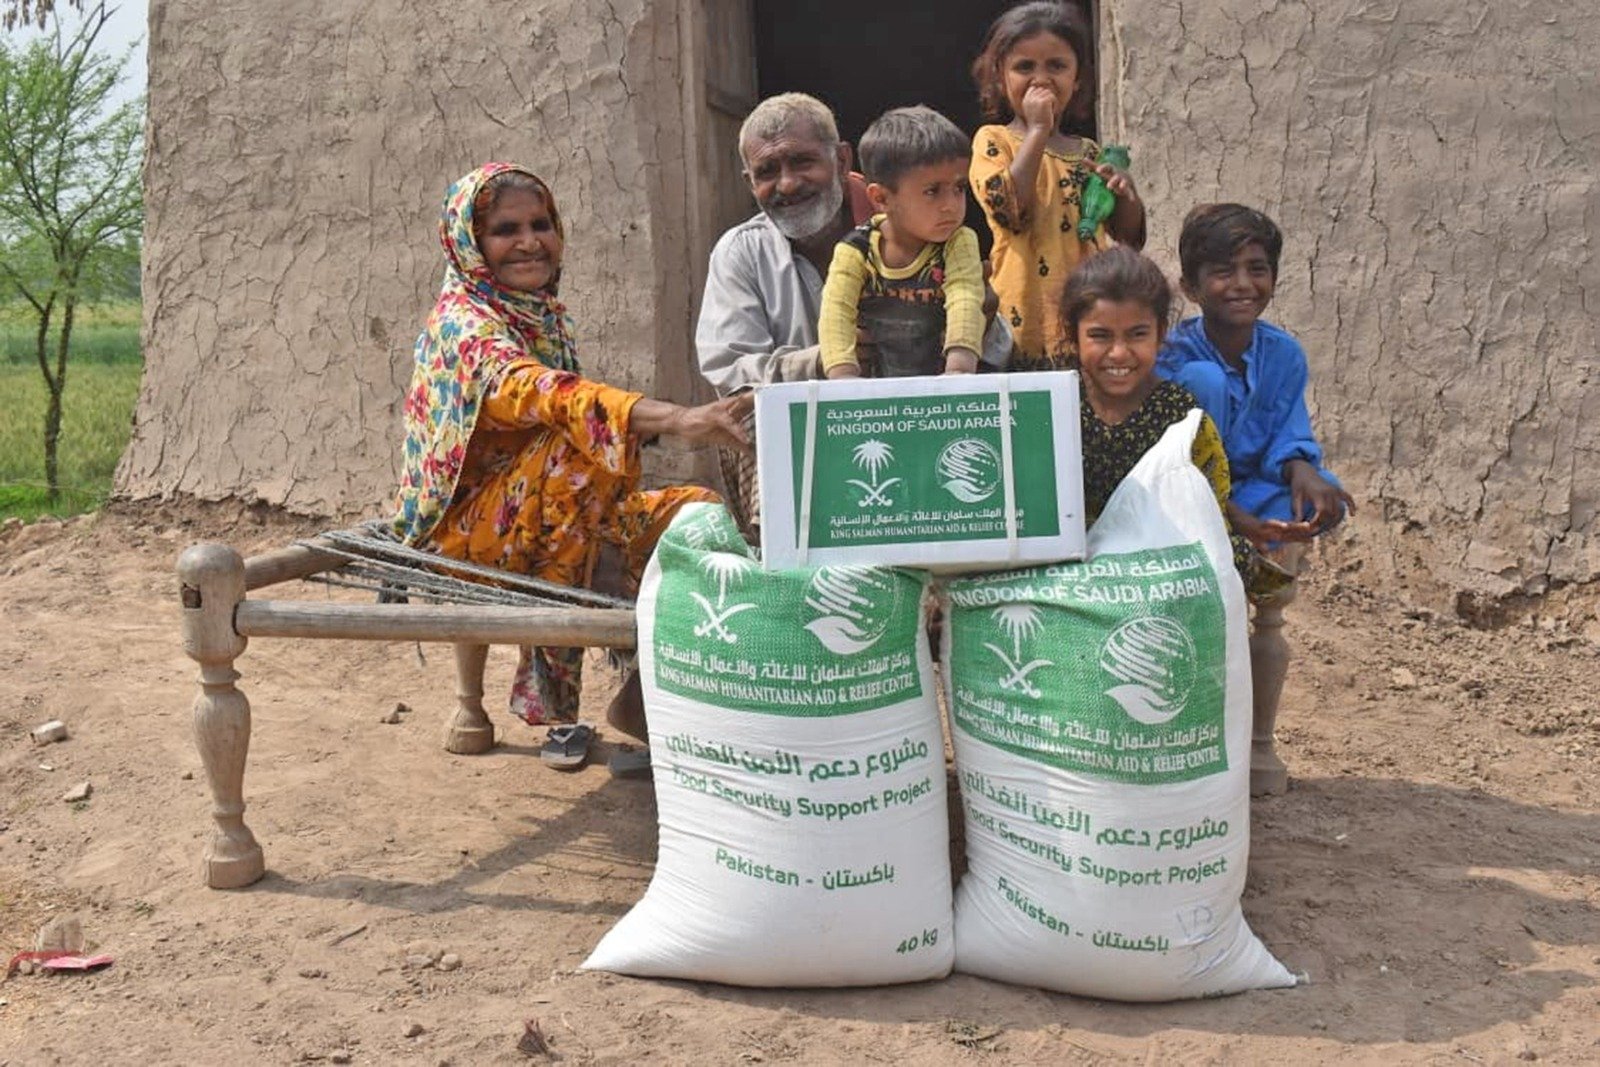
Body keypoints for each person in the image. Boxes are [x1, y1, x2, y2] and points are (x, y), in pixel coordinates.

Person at [392, 162, 751, 751]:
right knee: (575, 453)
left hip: (535, 516)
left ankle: (638, 700)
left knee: (695, 513)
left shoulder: (538, 315)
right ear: (471, 244)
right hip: (462, 538)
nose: (530, 242)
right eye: (506, 230)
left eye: (541, 224)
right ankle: (498, 702)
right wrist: (683, 421)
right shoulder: (466, 327)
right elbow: (547, 396)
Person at [695, 92, 1013, 534]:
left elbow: (995, 352)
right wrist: (826, 363)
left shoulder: (923, 220)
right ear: (750, 183)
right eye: (767, 172)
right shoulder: (740, 253)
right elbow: (729, 372)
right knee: (748, 417)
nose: (786, 184)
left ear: (842, 160)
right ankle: (785, 562)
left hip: (924, 414)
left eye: (802, 162)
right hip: (813, 432)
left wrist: (975, 322)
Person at [1157, 202, 1356, 795]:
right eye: (1223, 271)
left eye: (1257, 268)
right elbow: (1176, 461)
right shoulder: (1175, 358)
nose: (1242, 284)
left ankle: (1258, 749)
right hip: (1187, 496)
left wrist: (1304, 469)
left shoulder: (1283, 355)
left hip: (1251, 491)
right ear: (1192, 286)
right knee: (1209, 385)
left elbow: (1286, 436)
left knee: (1316, 501)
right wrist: (1229, 514)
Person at [970, 1, 1146, 371]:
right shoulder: (994, 142)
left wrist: (1124, 193)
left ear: (1077, 78)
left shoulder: (1090, 153)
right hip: (1023, 324)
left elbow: (1128, 237)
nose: (1041, 78)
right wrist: (1038, 131)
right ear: (1000, 78)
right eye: (1024, 67)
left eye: (1057, 66)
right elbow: (1009, 211)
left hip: (1086, 318)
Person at [1061, 246, 1254, 582]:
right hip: (1070, 567)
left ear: (1161, 333)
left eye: (1137, 334)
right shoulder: (1055, 405)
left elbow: (1207, 510)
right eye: (1100, 336)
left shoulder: (1181, 417)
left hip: (1159, 567)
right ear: (1073, 335)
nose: (1119, 353)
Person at [818, 105, 984, 380]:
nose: (951, 206)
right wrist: (843, 379)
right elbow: (836, 312)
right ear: (881, 198)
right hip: (877, 388)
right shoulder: (856, 250)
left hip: (941, 384)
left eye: (959, 188)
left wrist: (959, 371)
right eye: (933, 191)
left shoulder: (958, 242)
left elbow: (965, 297)